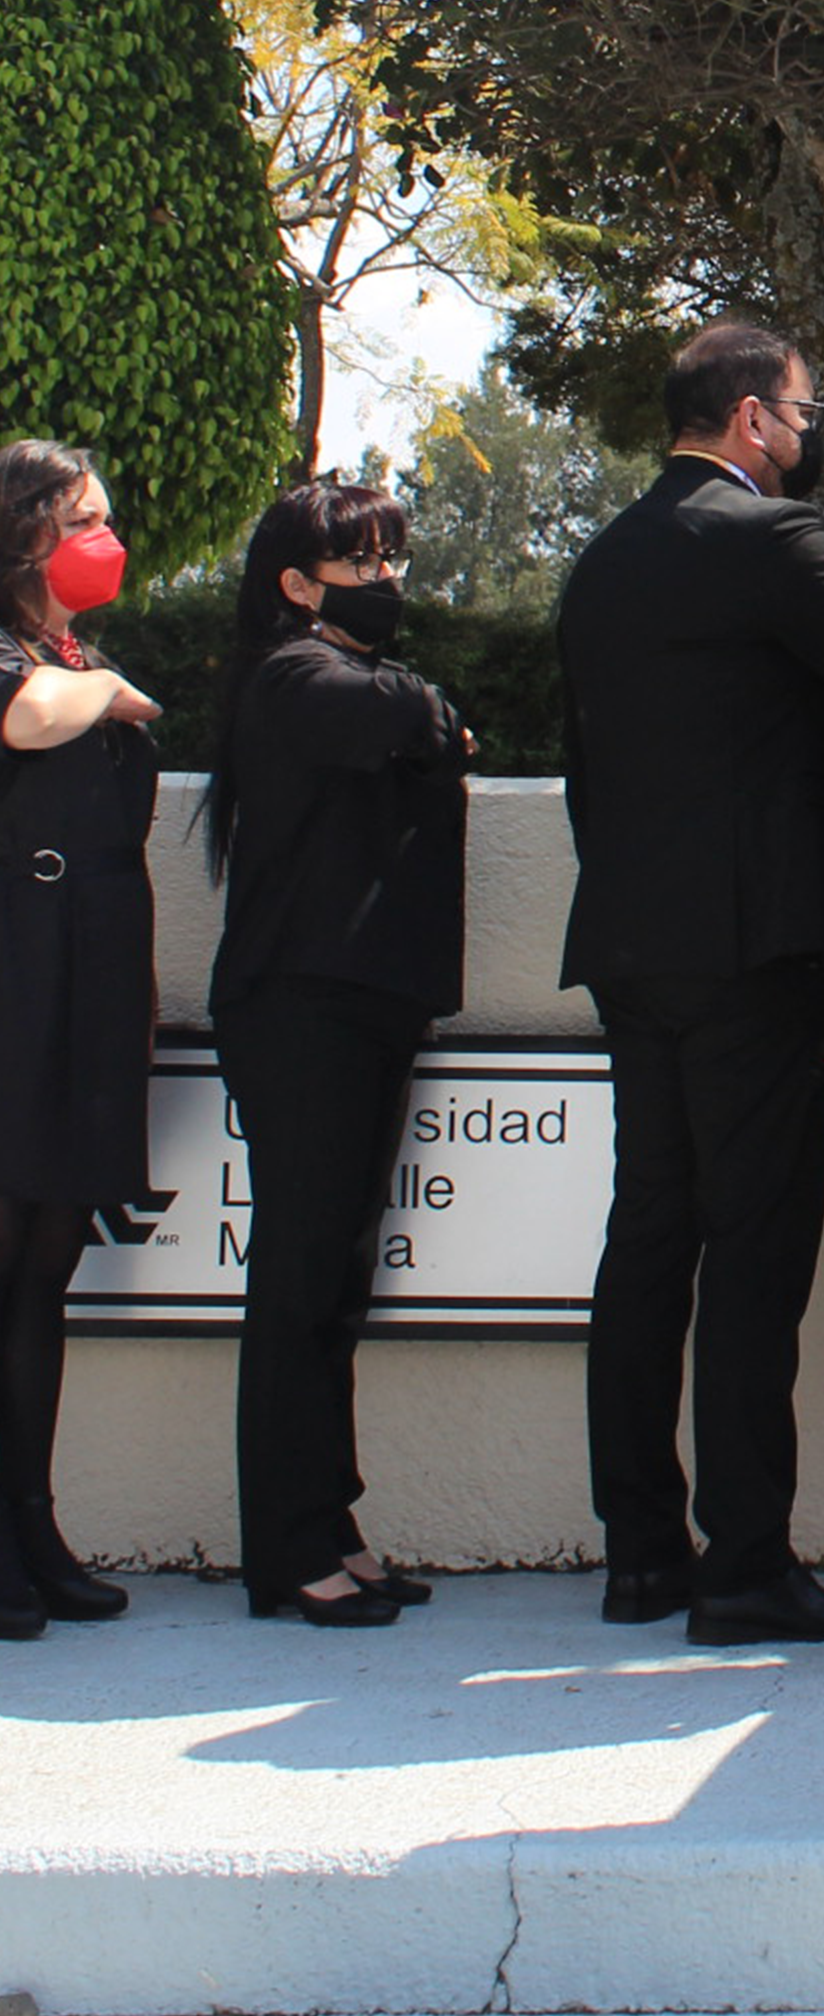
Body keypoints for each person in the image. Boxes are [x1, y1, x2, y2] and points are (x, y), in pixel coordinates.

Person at [558, 318, 824, 1649]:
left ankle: (642, 1553)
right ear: (753, 419)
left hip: (632, 944)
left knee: (648, 1241)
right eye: (803, 413)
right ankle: (746, 1560)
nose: (809, 435)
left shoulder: (603, 560)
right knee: (753, 1259)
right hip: (758, 953)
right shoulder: (777, 542)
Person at [208, 481, 471, 1626]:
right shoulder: (292, 678)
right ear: (297, 585)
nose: (388, 585)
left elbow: (431, 724)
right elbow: (414, 718)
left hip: (359, 1006)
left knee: (337, 1285)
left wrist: (428, 721)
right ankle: (287, 1551)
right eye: (364, 566)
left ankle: (330, 1522)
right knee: (301, 1281)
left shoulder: (332, 677)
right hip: (302, 1010)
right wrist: (426, 718)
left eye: (393, 560)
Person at [0, 442, 159, 1640]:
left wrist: (96, 680)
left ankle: (32, 1526)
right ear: (29, 531)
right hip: (18, 984)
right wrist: (104, 693)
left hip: (86, 982)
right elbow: (25, 719)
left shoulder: (74, 654)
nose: (104, 539)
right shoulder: (36, 668)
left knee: (45, 1268)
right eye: (84, 519)